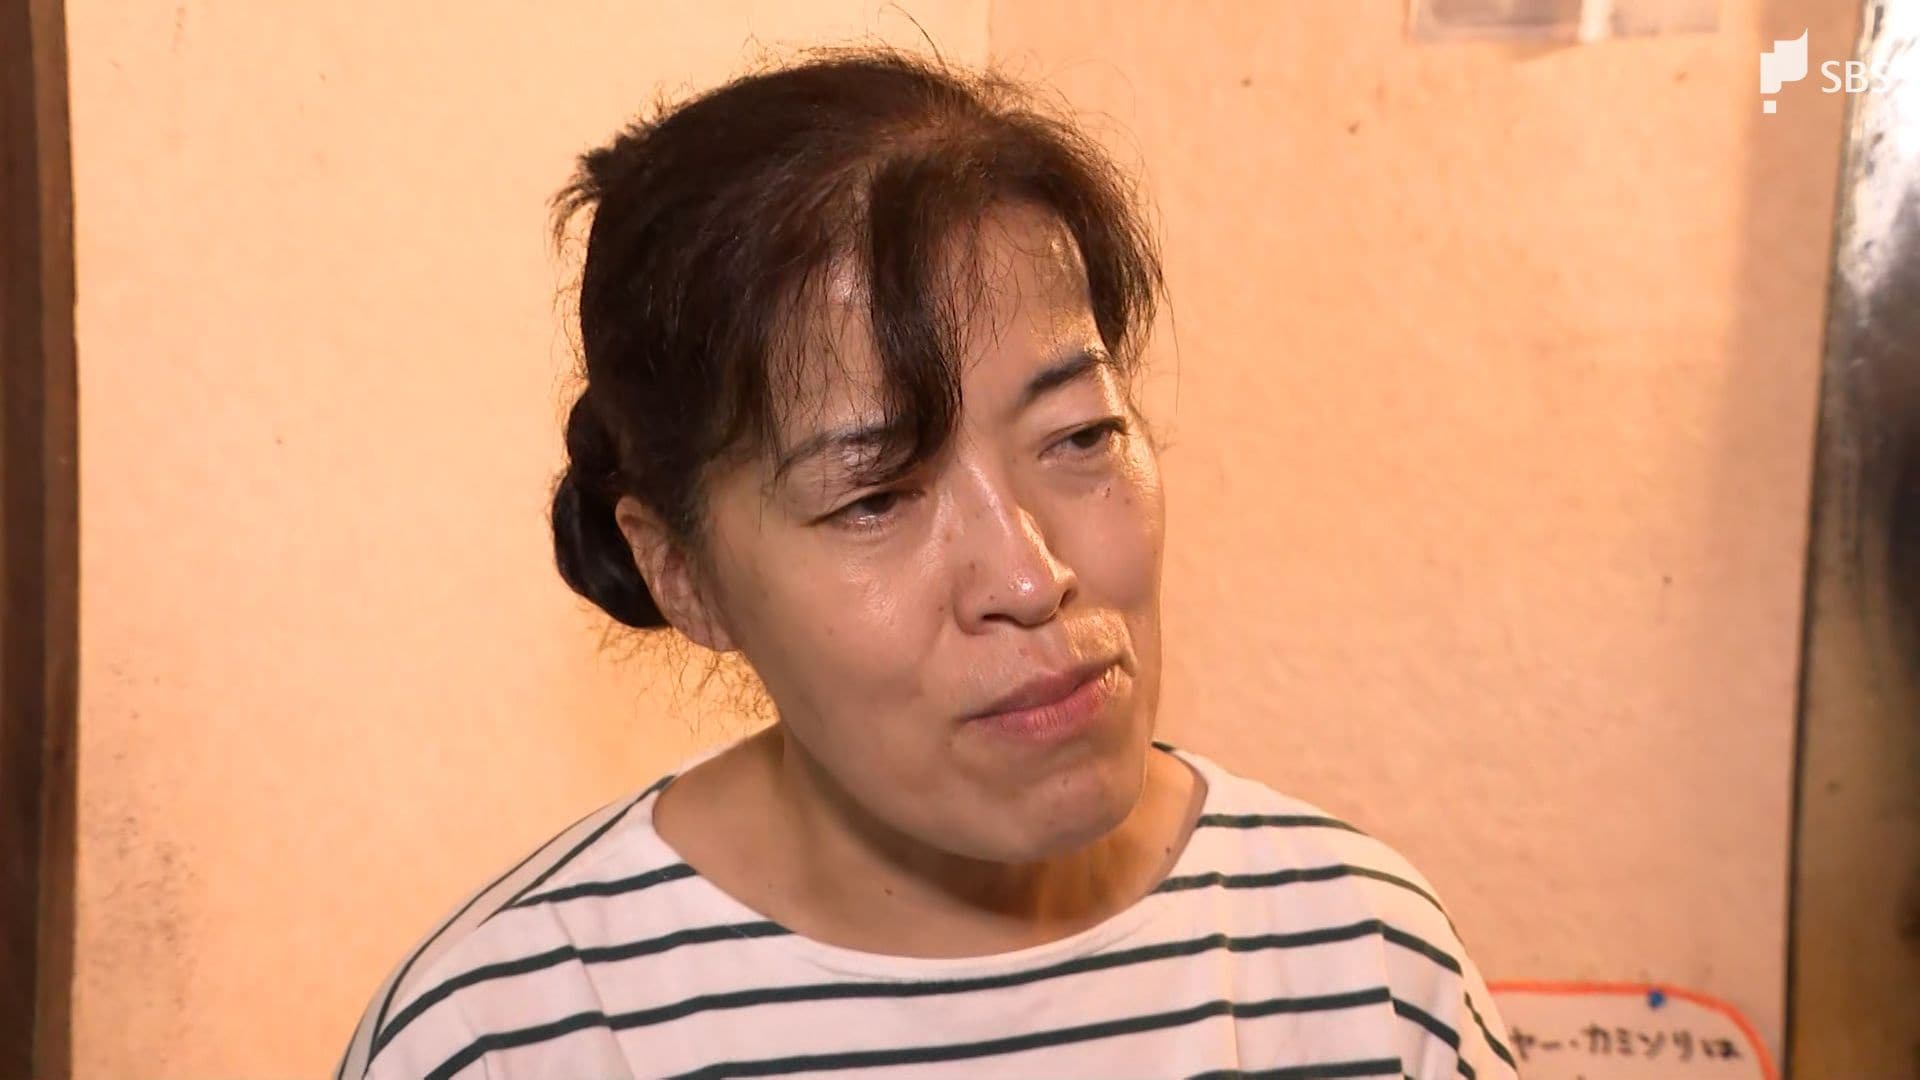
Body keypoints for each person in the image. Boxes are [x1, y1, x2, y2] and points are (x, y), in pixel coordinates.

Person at [335, 48, 1516, 1080]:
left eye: (1080, 437)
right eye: (876, 496)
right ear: (682, 573)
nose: (1029, 578)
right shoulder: (513, 1034)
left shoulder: (1362, 968)